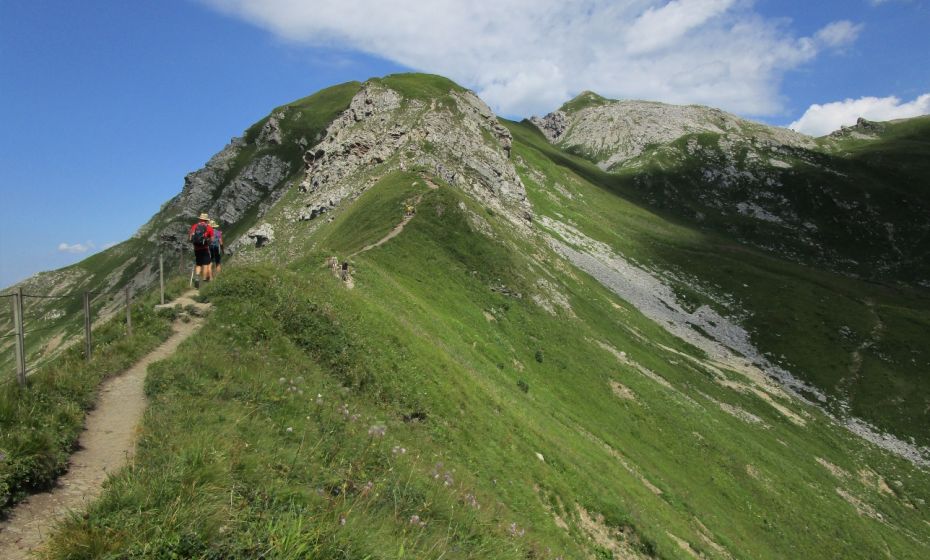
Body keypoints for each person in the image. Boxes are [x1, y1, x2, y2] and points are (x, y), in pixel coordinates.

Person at [188, 213, 214, 288]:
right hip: (205, 248)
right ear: (206, 220)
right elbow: (211, 239)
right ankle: (204, 280)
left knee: (198, 264)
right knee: (206, 264)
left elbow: (190, 238)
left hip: (196, 248)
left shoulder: (194, 226)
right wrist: (208, 242)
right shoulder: (209, 227)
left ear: (200, 219)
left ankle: (197, 277)